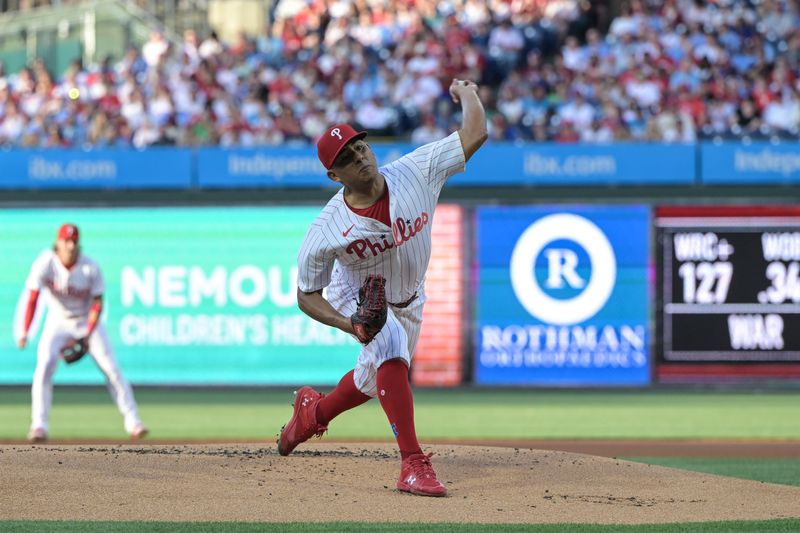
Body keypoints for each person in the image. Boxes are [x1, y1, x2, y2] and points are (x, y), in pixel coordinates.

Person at [277, 78, 487, 497]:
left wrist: (467, 93)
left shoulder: (415, 171)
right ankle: (412, 463)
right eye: (347, 158)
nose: (360, 157)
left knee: (373, 382)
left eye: (360, 147)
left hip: (411, 296)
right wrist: (348, 323)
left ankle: (311, 413)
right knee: (387, 347)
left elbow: (475, 133)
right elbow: (305, 293)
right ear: (334, 175)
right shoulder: (327, 229)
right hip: (358, 298)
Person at [17, 223, 148, 443]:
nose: (70, 245)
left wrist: (86, 334)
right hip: (57, 321)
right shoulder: (45, 263)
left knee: (112, 369)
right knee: (44, 367)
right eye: (66, 241)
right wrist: (25, 331)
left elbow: (98, 303)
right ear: (58, 243)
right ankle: (39, 425)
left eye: (74, 241)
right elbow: (32, 298)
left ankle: (133, 421)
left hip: (87, 322)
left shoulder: (90, 267)